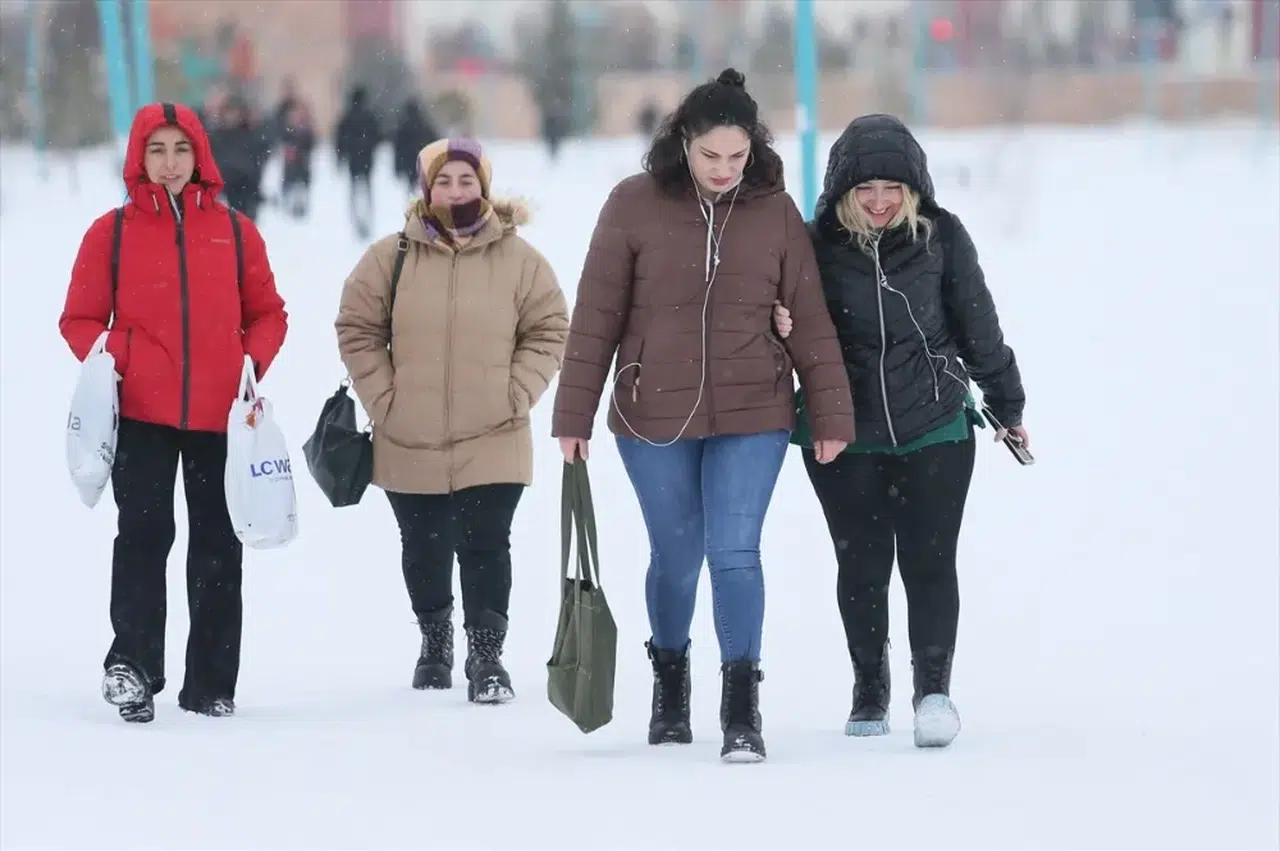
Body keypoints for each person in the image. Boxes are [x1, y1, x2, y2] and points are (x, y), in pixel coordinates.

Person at [551, 69, 854, 763]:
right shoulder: (632, 204)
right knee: (679, 552)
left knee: (735, 552)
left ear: (754, 148)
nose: (724, 171)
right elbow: (595, 316)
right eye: (710, 156)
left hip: (755, 408)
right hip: (651, 409)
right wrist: (576, 414)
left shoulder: (775, 213)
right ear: (683, 143)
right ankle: (670, 681)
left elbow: (807, 319)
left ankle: (741, 703)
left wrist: (831, 410)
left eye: (737, 157)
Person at [772, 114, 1028, 748]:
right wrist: (778, 326)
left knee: (930, 561)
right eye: (865, 190)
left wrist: (1007, 403)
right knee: (860, 566)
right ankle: (869, 684)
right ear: (842, 192)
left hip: (935, 427)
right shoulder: (812, 245)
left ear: (913, 188)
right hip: (843, 435)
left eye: (892, 187)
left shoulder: (941, 238)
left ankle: (934, 690)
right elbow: (791, 332)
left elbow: (978, 325)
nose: (880, 201)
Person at [58, 102, 289, 724]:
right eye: (155, 151)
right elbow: (79, 320)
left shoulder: (236, 232)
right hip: (140, 417)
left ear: (200, 156)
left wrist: (249, 361)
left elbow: (270, 312)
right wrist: (124, 357)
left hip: (220, 418)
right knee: (142, 539)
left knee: (218, 545)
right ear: (139, 158)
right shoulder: (110, 234)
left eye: (180, 150)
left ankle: (211, 684)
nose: (168, 164)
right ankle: (133, 667)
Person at [336, 138, 568, 704]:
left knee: (487, 543)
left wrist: (516, 393)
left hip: (495, 432)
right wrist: (385, 399)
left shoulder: (521, 261)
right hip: (407, 431)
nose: (456, 191)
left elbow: (549, 328)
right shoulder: (391, 256)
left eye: (467, 181)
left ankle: (487, 657)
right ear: (426, 188)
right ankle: (434, 640)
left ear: (484, 187)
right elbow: (356, 327)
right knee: (424, 545)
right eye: (444, 181)